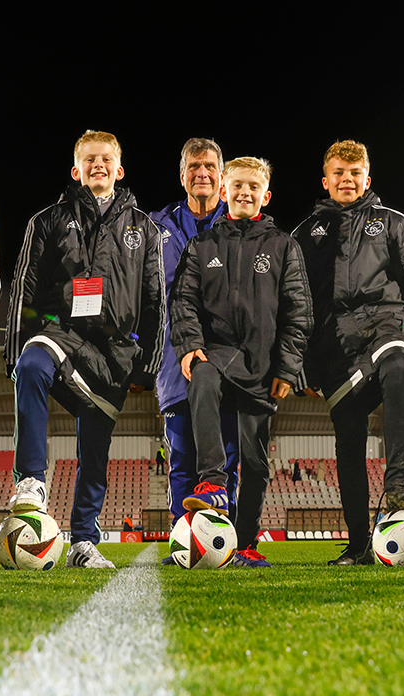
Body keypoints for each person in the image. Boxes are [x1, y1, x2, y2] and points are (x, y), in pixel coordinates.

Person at [5, 130, 165, 569]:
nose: (98, 165)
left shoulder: (145, 229)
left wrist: (148, 363)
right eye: (90, 159)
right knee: (32, 366)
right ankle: (32, 481)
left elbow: (156, 301)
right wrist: (17, 345)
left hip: (113, 350)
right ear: (76, 170)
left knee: (94, 448)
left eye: (106, 159)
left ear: (119, 169)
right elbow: (25, 287)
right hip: (60, 330)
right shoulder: (48, 220)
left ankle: (83, 541)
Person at [293, 140, 404, 565]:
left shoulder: (393, 222)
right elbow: (296, 303)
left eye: (354, 172)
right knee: (348, 438)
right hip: (336, 347)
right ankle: (358, 543)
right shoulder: (305, 234)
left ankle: (397, 487)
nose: (347, 180)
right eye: (339, 173)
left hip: (390, 321)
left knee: (398, 366)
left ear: (367, 179)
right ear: (326, 181)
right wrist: (301, 363)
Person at [171, 156, 312, 567]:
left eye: (253, 186)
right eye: (237, 186)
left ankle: (245, 543)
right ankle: (212, 482)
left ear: (265, 195)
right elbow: (182, 299)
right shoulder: (202, 246)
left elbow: (298, 311)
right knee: (201, 378)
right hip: (216, 353)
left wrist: (287, 368)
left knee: (254, 461)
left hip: (262, 367)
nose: (245, 192)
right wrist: (189, 344)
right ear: (223, 193)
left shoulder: (284, 246)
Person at [149, 139, 238, 535]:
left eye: (209, 166)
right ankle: (183, 538)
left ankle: (226, 538)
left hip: (226, 354)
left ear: (221, 176)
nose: (202, 173)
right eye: (194, 166)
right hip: (173, 357)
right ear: (182, 175)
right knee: (181, 454)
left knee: (228, 452)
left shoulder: (241, 223)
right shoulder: (155, 227)